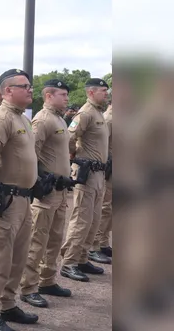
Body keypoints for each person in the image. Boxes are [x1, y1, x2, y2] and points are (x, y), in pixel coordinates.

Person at [0, 69, 39, 331]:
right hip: (7, 200)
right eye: (24, 86)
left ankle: (7, 304)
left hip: (24, 199)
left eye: (30, 86)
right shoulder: (1, 118)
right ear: (7, 91)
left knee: (17, 257)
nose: (30, 90)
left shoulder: (22, 119)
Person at [18, 79, 75, 310]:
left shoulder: (59, 118)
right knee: (37, 240)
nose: (67, 98)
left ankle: (47, 280)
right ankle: (28, 287)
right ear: (49, 96)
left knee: (54, 238)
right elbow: (31, 153)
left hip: (61, 191)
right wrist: (42, 179)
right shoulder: (42, 120)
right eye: (62, 94)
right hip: (47, 192)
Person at [59, 78, 111, 282]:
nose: (106, 94)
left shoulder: (98, 112)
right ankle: (69, 263)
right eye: (103, 91)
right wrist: (76, 157)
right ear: (91, 92)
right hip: (87, 173)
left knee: (94, 219)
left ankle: (82, 257)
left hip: (99, 174)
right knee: (81, 219)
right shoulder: (86, 113)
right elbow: (70, 137)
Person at [93, 98, 113, 258]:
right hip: (109, 169)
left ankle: (104, 242)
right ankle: (97, 243)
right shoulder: (109, 118)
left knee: (111, 208)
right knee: (105, 208)